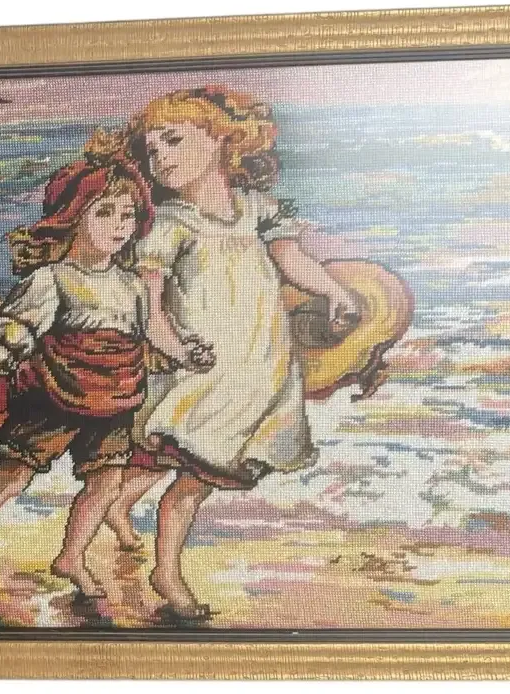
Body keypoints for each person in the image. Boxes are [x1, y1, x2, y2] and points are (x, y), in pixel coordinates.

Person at [109, 87, 359, 619]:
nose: (161, 158)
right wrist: (175, 347)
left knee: (185, 467)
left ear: (224, 140)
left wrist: (334, 291)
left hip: (258, 370)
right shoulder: (170, 224)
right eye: (152, 150)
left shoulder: (258, 210)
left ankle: (116, 511)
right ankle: (166, 572)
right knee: (192, 474)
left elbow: (294, 263)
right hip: (201, 373)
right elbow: (151, 306)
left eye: (173, 141)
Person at [0, 153, 213, 598]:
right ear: (71, 216)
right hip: (55, 392)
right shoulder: (52, 278)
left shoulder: (132, 283)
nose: (119, 225)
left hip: (116, 396)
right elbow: (16, 328)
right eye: (104, 213)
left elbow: (150, 332)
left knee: (107, 478)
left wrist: (185, 352)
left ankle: (71, 556)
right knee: (16, 470)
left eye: (128, 215)